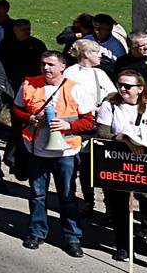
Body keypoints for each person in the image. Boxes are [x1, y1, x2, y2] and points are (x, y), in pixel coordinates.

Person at [95, 70, 147, 273]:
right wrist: (124, 139)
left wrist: (144, 143)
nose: (122, 89)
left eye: (128, 86)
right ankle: (123, 246)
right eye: (120, 84)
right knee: (120, 206)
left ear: (140, 89)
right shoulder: (110, 105)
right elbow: (103, 132)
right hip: (118, 162)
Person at [14, 51, 91, 256]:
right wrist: (30, 118)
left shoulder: (75, 89)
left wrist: (68, 125)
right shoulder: (29, 84)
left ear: (62, 67)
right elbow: (16, 109)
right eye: (43, 64)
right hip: (36, 149)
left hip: (65, 151)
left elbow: (88, 121)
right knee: (37, 194)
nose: (46, 68)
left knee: (67, 196)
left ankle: (72, 237)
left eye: (50, 64)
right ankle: (37, 232)